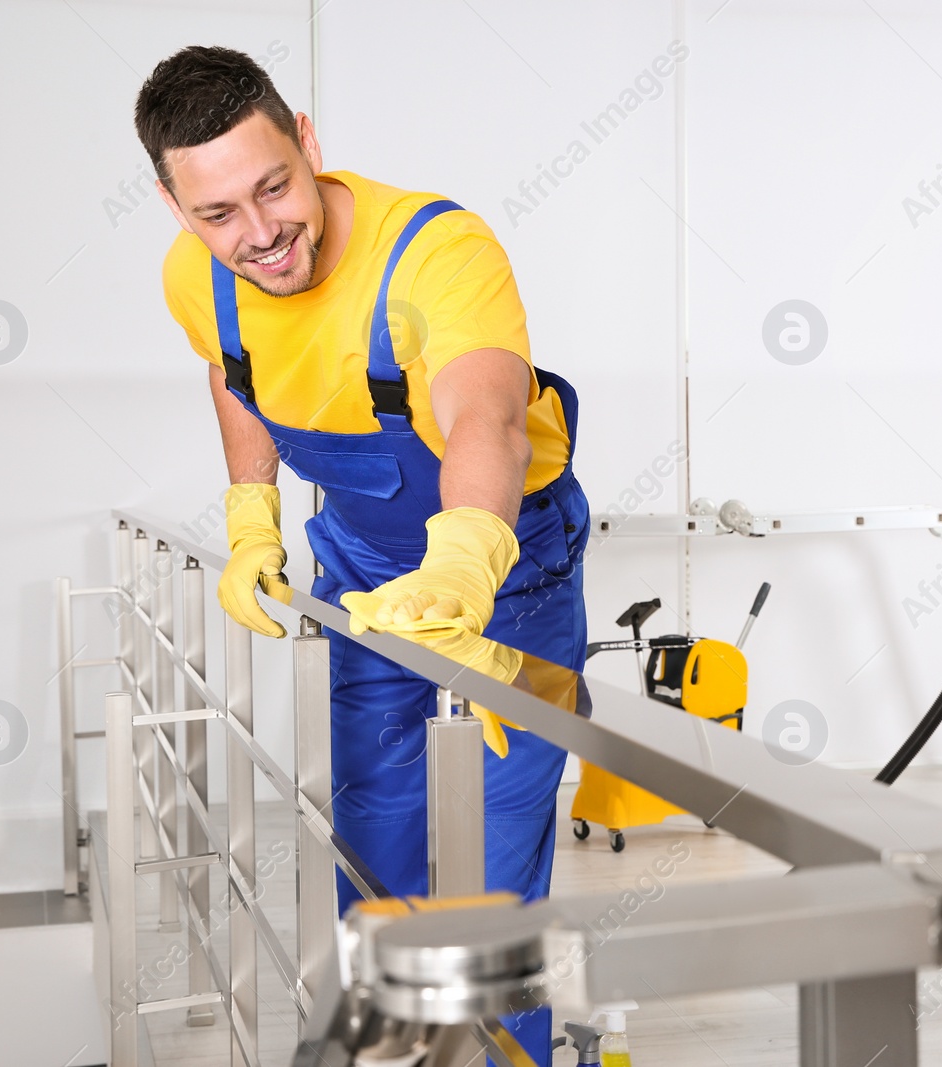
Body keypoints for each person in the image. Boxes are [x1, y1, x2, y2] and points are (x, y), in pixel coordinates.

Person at [135, 44, 589, 1064]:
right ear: (174, 207)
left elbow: (487, 419)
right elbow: (234, 369)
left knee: (490, 860)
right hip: (358, 564)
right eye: (218, 215)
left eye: (274, 188)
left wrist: (466, 559)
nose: (259, 235)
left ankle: (506, 1052)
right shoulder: (194, 275)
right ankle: (392, 1048)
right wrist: (253, 511)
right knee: (374, 831)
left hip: (505, 568)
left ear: (308, 144)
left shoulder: (433, 250)